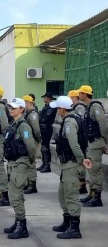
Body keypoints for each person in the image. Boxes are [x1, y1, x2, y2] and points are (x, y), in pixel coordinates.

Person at [50, 96, 92, 239]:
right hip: (68, 164)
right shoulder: (71, 120)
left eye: (57, 108)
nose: (57, 111)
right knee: (63, 194)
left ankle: (74, 229)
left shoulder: (69, 122)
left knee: (71, 196)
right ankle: (67, 222)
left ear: (62, 109)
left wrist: (81, 159)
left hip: (72, 164)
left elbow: (74, 144)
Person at [3, 98, 36, 239]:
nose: (11, 110)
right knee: (14, 195)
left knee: (15, 195)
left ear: (22, 109)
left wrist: (29, 162)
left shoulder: (23, 126)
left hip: (20, 163)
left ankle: (22, 227)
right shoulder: (14, 124)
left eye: (14, 108)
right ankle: (18, 221)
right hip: (13, 163)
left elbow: (31, 146)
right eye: (10, 107)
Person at [78, 85, 108, 207]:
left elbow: (103, 125)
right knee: (91, 170)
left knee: (95, 171)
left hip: (96, 142)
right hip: (90, 143)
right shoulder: (88, 107)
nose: (79, 95)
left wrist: (106, 142)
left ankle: (97, 197)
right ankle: (92, 194)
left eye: (80, 93)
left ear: (85, 94)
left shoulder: (96, 107)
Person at [68, 90, 87, 194]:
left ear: (75, 98)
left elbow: (80, 121)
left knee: (81, 163)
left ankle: (82, 187)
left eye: (70, 98)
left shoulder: (79, 107)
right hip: (80, 137)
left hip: (81, 139)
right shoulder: (76, 107)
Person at [22, 95, 41, 194]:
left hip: (32, 139)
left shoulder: (33, 114)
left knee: (32, 162)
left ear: (29, 102)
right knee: (28, 162)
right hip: (29, 139)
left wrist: (37, 140)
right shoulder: (28, 113)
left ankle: (32, 184)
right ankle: (28, 182)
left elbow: (36, 129)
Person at [37, 92, 57, 173]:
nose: (43, 99)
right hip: (43, 128)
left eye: (44, 97)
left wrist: (40, 119)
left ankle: (47, 165)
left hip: (47, 128)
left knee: (45, 147)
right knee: (43, 147)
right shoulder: (47, 106)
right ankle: (44, 163)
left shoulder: (51, 106)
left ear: (47, 98)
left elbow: (45, 118)